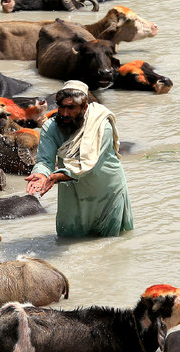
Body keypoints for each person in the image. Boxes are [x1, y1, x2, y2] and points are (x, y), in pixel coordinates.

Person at [25, 80, 133, 238]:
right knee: (68, 239)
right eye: (61, 107)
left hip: (106, 191)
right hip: (73, 193)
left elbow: (90, 164)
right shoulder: (51, 127)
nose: (64, 113)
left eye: (71, 108)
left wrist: (55, 177)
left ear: (85, 107)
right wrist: (41, 174)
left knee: (111, 246)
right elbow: (45, 161)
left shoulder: (102, 126)